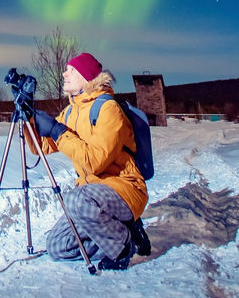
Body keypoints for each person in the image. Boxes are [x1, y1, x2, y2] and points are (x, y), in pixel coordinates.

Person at [28, 52, 150, 270]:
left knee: (75, 200)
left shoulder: (108, 109)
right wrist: (27, 117)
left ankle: (121, 246)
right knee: (57, 247)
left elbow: (95, 162)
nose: (64, 73)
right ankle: (122, 231)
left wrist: (57, 131)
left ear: (86, 77)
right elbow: (42, 147)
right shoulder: (71, 112)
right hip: (92, 197)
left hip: (123, 189)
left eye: (71, 70)